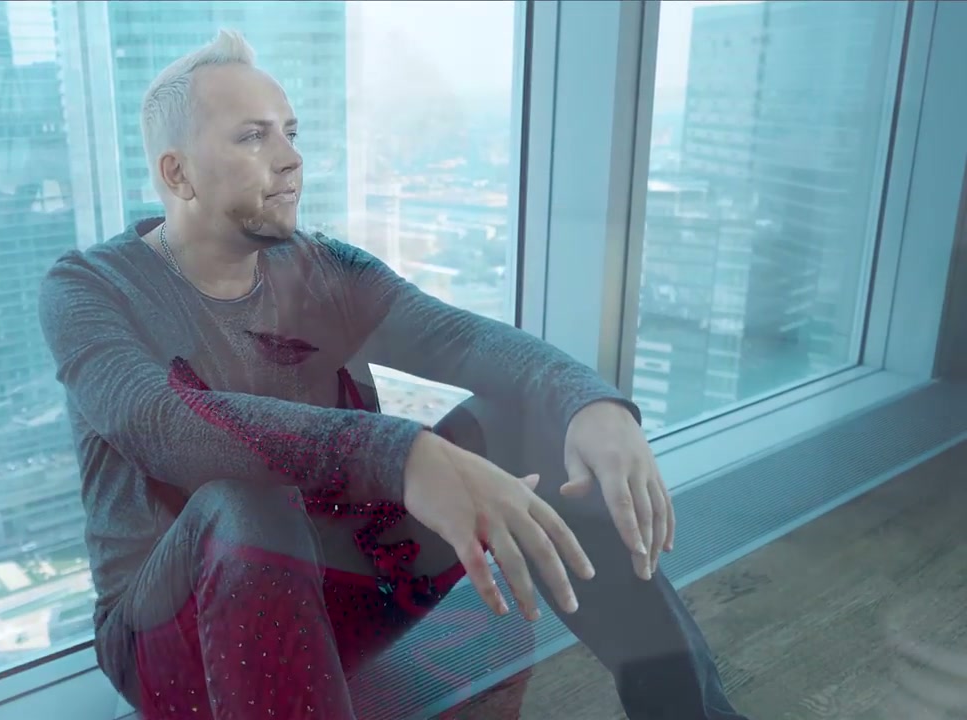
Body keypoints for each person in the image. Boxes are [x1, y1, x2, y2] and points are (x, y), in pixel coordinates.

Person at [39, 30, 747, 720]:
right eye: (253, 137)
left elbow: (462, 338)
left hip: (341, 595)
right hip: (175, 642)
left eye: (290, 132)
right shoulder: (90, 289)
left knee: (531, 418)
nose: (291, 158)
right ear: (177, 173)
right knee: (245, 508)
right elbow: (161, 424)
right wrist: (401, 454)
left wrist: (591, 405)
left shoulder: (322, 266)